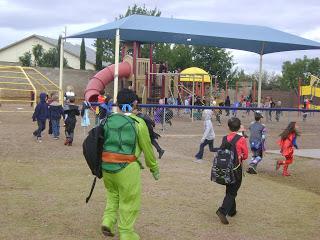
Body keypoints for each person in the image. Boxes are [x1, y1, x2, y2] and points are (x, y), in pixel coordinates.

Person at [100, 88, 159, 239]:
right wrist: (154, 167)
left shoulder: (108, 119)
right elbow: (147, 148)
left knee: (113, 195)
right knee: (129, 200)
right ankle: (126, 232)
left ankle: (108, 220)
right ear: (134, 103)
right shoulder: (138, 123)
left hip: (107, 166)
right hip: (127, 167)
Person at [216, 117, 248, 225]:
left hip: (225, 167)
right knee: (233, 191)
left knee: (230, 188)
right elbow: (246, 155)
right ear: (239, 127)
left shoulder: (225, 138)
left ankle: (232, 211)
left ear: (228, 127)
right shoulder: (241, 139)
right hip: (236, 168)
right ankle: (222, 211)